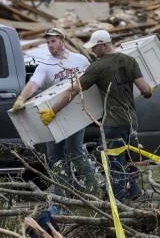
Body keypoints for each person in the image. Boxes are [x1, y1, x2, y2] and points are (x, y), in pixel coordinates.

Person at [39, 29, 153, 201]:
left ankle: (119, 200)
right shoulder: (130, 61)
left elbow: (73, 90)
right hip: (131, 121)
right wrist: (150, 90)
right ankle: (135, 192)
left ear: (103, 45)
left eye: (94, 47)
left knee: (112, 162)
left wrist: (53, 110)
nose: (92, 51)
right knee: (124, 158)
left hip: (112, 122)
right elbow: (146, 90)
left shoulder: (97, 66)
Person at [11, 27, 97, 192]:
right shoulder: (46, 65)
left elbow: (92, 80)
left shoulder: (80, 60)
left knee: (75, 151)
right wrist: (22, 97)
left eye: (53, 41)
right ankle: (62, 192)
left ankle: (94, 187)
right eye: (48, 42)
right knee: (56, 156)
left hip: (77, 113)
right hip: (53, 115)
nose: (50, 45)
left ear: (62, 41)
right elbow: (34, 83)